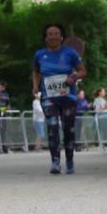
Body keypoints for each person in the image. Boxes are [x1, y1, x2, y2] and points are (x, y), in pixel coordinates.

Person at [32, 23, 86, 174]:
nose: (53, 36)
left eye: (56, 33)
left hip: (68, 96)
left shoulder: (70, 53)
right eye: (50, 34)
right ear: (46, 37)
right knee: (52, 127)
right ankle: (55, 162)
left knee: (68, 129)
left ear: (62, 37)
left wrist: (74, 76)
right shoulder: (39, 54)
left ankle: (69, 160)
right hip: (49, 97)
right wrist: (35, 86)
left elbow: (83, 71)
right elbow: (36, 72)